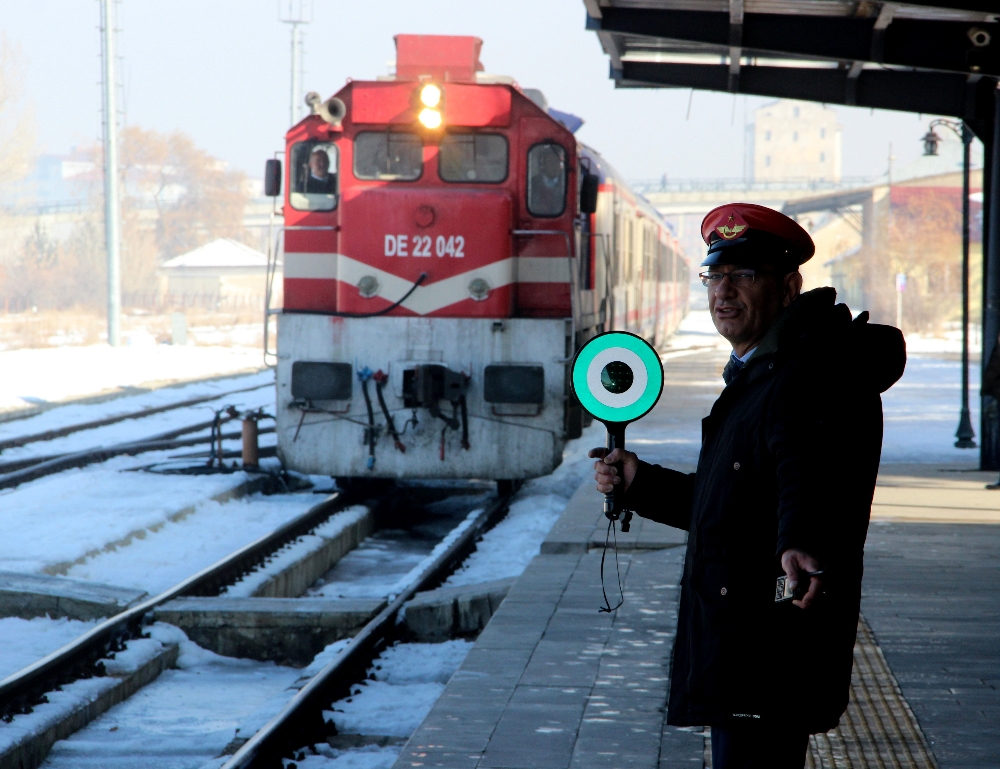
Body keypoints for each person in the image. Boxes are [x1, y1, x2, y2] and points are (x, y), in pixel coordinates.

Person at [590, 203, 906, 769]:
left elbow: (804, 472)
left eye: (745, 276)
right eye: (715, 276)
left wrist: (798, 542)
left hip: (763, 643)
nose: (723, 292)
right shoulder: (766, 372)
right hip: (743, 643)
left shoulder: (804, 376)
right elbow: (734, 505)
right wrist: (640, 483)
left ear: (788, 288)